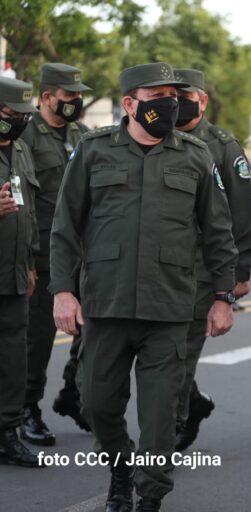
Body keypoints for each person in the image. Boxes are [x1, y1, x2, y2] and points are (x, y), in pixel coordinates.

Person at [49, 62, 237, 512]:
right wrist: (63, 291)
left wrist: (222, 297)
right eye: (157, 97)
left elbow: (218, 232)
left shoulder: (195, 155)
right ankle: (120, 468)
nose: (169, 104)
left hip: (170, 310)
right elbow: (65, 228)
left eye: (174, 95)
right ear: (130, 104)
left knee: (159, 419)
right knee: (95, 404)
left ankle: (149, 497)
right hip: (107, 306)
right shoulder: (94, 152)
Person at [173, 68, 251, 452]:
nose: (174, 102)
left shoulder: (223, 146)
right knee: (163, 356)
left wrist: (240, 272)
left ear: (202, 100)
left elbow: (241, 213)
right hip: (159, 269)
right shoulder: (155, 136)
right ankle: (191, 404)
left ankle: (168, 435)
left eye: (184, 94)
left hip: (202, 272)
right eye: (169, 94)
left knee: (180, 358)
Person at [20, 63, 92, 444]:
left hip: (83, 254)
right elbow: (25, 199)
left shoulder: (82, 134)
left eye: (78, 96)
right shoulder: (27, 135)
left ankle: (73, 394)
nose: (75, 103)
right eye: (68, 97)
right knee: (38, 338)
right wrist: (28, 260)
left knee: (90, 333)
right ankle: (27, 408)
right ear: (47, 97)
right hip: (44, 254)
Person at [0, 76, 45, 468]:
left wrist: (30, 263)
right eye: (12, 114)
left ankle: (7, 433)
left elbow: (28, 210)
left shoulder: (21, 152)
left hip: (13, 273)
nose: (19, 121)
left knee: (15, 357)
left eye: (23, 116)